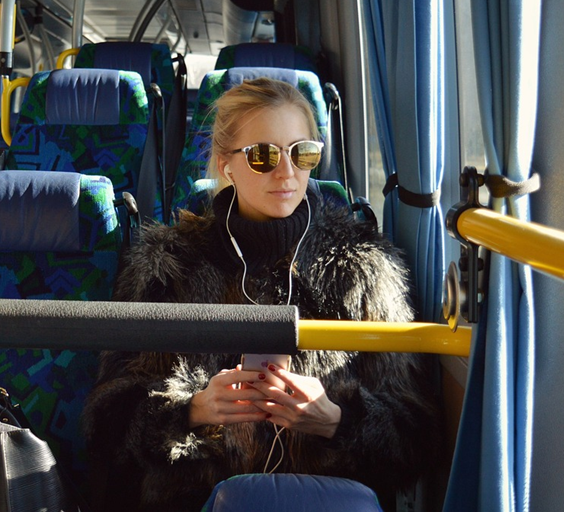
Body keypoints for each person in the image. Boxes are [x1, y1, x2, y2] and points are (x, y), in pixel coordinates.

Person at [82, 78, 441, 511]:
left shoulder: (362, 268)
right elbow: (106, 422)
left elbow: (417, 433)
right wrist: (192, 411)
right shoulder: (166, 266)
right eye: (263, 155)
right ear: (225, 163)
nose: (287, 172)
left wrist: (336, 421)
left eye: (302, 152)